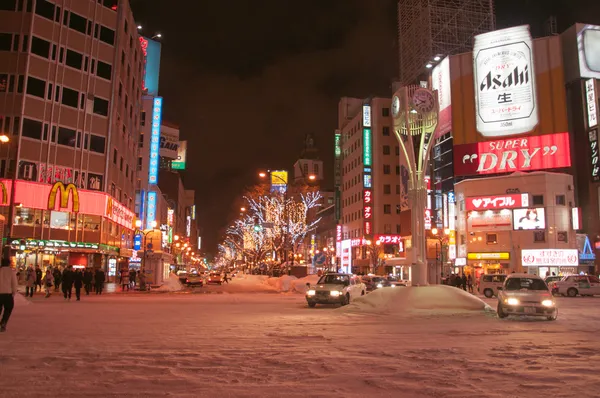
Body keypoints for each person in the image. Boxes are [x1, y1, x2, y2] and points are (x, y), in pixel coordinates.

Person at [0, 258, 18, 332]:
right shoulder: (11, 272)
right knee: (8, 308)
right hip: (7, 294)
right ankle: (3, 322)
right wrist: (14, 292)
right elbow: (14, 283)